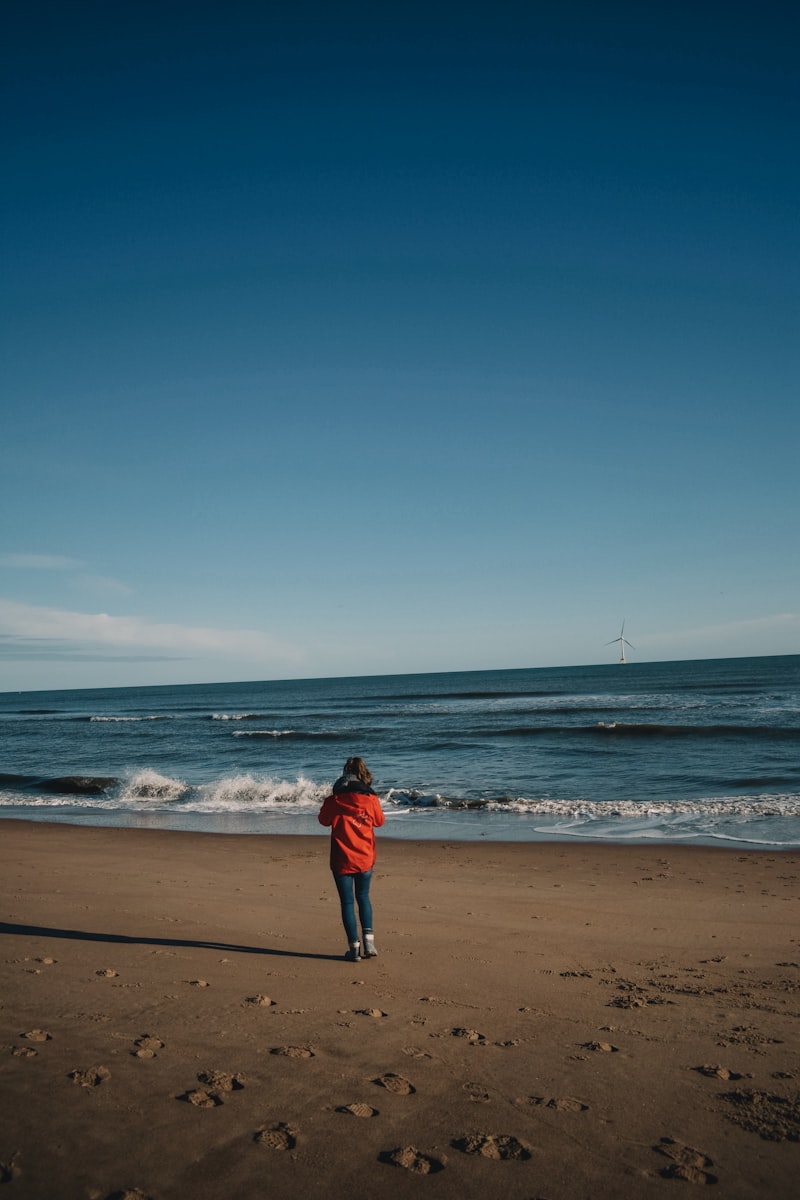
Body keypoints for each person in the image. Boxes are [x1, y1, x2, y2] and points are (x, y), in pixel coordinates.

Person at [318, 756, 385, 961]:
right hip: (365, 857)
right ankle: (369, 942)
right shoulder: (371, 799)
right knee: (363, 897)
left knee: (347, 902)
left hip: (342, 858)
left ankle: (353, 948)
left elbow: (323, 820)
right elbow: (380, 822)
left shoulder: (334, 800)